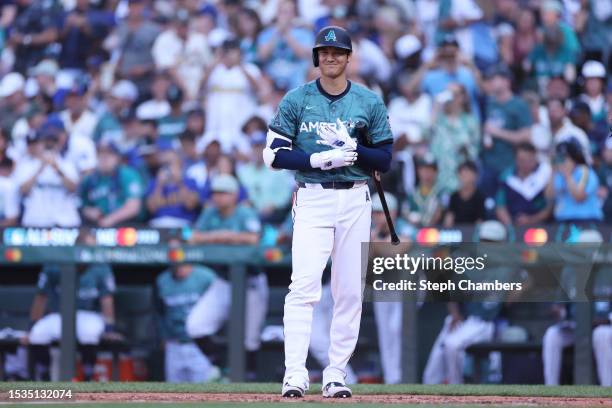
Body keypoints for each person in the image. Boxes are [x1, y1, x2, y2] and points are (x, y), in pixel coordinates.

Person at [264, 26, 393, 398]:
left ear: (349, 57)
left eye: (337, 52)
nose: (331, 57)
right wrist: (318, 159)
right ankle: (295, 374)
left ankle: (336, 373)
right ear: (317, 57)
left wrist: (354, 149)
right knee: (303, 286)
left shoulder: (368, 101)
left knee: (350, 291)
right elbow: (272, 154)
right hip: (313, 195)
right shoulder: (297, 99)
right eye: (324, 52)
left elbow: (385, 156)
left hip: (355, 197)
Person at [186, 174, 267, 381]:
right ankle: (221, 366)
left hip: (251, 281)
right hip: (223, 280)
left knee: (250, 339)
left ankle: (248, 381)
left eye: (223, 193)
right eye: (215, 193)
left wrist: (217, 237)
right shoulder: (209, 213)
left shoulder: (245, 212)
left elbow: (252, 238)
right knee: (196, 325)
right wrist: (227, 236)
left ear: (234, 195)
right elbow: (194, 238)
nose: (218, 197)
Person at [423, 220, 512, 384]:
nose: (488, 246)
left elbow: (510, 297)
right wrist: (455, 312)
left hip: (485, 322)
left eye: (492, 242)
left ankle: (456, 388)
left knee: (452, 345)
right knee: (432, 370)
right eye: (485, 241)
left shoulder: (506, 267)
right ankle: (429, 393)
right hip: (464, 320)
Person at [28, 232, 118, 381]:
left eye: (94, 249)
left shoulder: (101, 267)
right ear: (76, 248)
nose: (92, 253)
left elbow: (106, 300)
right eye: (89, 248)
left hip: (89, 314)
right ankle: (44, 376)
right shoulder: (54, 265)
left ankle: (87, 377)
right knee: (38, 334)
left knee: (88, 333)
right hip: (59, 314)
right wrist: (31, 326)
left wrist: (109, 329)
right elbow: (41, 297)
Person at [542, 230, 611, 386]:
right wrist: (561, 313)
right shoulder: (570, 271)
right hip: (576, 327)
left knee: (601, 335)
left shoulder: (608, 270)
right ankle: (550, 388)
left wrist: (606, 319)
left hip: (604, 326)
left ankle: (608, 389)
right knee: (552, 335)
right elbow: (559, 304)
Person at [370, 192, 413, 384]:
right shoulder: (371, 230)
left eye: (381, 213)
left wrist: (372, 243)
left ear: (392, 213)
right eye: (375, 213)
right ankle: (391, 380)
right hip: (383, 286)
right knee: (386, 334)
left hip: (406, 289)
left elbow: (396, 250)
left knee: (397, 329)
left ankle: (403, 377)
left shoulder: (405, 227)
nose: (377, 217)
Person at [156, 261, 218, 383]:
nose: (179, 269)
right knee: (174, 394)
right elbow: (160, 312)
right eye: (176, 265)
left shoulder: (206, 276)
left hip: (200, 344)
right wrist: (163, 337)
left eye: (182, 265)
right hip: (174, 343)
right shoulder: (163, 280)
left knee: (203, 392)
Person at [480, 65, 532, 200]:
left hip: (509, 164)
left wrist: (497, 133)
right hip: (489, 164)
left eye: (494, 79)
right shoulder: (490, 103)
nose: (491, 82)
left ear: (506, 81)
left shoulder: (518, 105)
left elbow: (526, 136)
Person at [13, 127, 80, 227]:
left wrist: (57, 169)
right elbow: (23, 190)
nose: (50, 145)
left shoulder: (67, 164)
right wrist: (40, 168)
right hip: (36, 220)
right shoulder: (26, 165)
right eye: (46, 142)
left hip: (65, 220)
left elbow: (73, 188)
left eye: (53, 142)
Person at [79, 140, 144, 227]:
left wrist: (110, 219)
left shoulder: (127, 174)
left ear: (117, 157)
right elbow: (82, 205)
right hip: (97, 226)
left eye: (109, 154)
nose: (104, 157)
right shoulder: (90, 179)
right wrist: (89, 212)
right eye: (100, 153)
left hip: (128, 225)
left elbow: (133, 207)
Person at [429, 82, 480, 194]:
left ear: (462, 97)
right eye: (448, 94)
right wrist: (436, 108)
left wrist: (464, 147)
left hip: (460, 179)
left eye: (454, 94)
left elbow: (474, 152)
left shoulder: (470, 122)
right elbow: (425, 134)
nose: (451, 98)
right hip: (438, 178)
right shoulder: (439, 120)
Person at [496, 142, 552, 226]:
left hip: (540, 226)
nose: (526, 164)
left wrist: (531, 220)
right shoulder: (506, 177)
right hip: (513, 226)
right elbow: (500, 206)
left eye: (530, 160)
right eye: (522, 160)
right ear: (515, 159)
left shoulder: (546, 174)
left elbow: (550, 207)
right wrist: (511, 227)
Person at [547, 138, 602, 222]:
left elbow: (579, 197)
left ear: (573, 158)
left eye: (564, 157)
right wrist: (553, 171)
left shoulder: (586, 172)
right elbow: (549, 196)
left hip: (587, 220)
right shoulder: (557, 174)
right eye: (559, 157)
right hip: (562, 220)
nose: (561, 161)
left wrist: (568, 175)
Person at [146, 149, 200, 228]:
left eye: (170, 163)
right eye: (164, 164)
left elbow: (190, 205)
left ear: (180, 164)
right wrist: (159, 185)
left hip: (182, 224)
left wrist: (179, 182)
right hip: (158, 225)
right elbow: (152, 209)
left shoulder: (190, 182)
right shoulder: (154, 183)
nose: (167, 167)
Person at [444, 161, 485, 227]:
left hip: (473, 233)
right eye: (461, 173)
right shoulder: (454, 196)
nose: (464, 175)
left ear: (475, 175)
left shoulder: (480, 196)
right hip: (456, 233)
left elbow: (480, 221)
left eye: (467, 173)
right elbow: (449, 219)